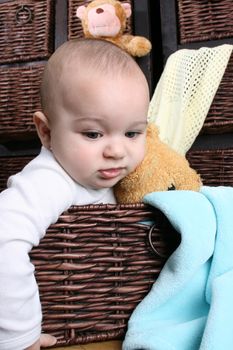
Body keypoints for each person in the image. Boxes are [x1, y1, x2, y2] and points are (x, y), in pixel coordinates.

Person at [0, 38, 150, 349]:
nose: (117, 151)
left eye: (133, 133)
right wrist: (19, 335)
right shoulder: (50, 180)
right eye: (93, 134)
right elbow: (3, 239)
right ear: (46, 131)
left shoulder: (115, 172)